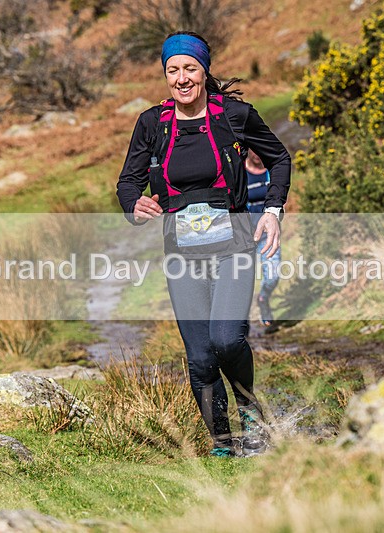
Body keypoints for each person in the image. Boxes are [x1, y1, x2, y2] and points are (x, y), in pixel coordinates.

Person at [116, 32, 290, 457]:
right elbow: (127, 183)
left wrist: (272, 211)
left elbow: (280, 158)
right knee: (199, 357)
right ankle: (223, 445)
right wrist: (133, 206)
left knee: (228, 339)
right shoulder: (152, 124)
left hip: (233, 246)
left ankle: (249, 407)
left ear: (204, 71)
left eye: (189, 68)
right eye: (172, 70)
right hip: (182, 255)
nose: (181, 78)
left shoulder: (234, 116)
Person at [245, 149, 281, 329]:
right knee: (242, 281)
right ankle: (241, 325)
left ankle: (263, 299)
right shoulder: (240, 172)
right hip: (245, 236)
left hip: (268, 234)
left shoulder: (272, 169)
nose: (258, 154)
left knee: (273, 276)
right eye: (253, 150)